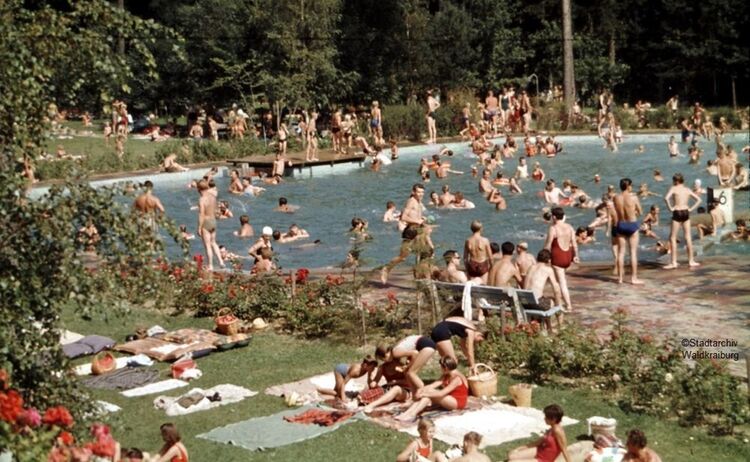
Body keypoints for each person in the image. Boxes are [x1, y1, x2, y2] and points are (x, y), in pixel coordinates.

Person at [395, 357, 469, 422]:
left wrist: (424, 393)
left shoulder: (457, 378)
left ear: (445, 367)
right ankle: (408, 413)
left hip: (457, 402)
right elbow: (433, 385)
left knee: (428, 395)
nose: (440, 369)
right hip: (450, 398)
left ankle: (411, 414)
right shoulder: (446, 375)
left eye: (441, 367)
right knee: (427, 395)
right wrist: (421, 390)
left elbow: (442, 393)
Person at [663, 173, 701, 269]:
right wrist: (691, 209)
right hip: (686, 211)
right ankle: (691, 261)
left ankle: (674, 262)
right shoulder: (687, 189)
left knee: (672, 237)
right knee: (688, 236)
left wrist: (670, 208)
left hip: (677, 211)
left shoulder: (673, 188)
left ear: (676, 181)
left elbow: (666, 198)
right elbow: (699, 200)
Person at [612, 178, 644, 284]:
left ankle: (620, 278)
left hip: (621, 224)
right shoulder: (633, 197)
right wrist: (633, 211)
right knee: (633, 253)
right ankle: (633, 278)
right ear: (628, 186)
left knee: (621, 252)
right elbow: (640, 212)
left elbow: (616, 211)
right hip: (632, 224)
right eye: (631, 185)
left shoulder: (616, 197)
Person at [523, 249, 564, 329]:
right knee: (556, 303)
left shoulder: (531, 267)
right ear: (549, 260)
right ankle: (560, 327)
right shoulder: (548, 269)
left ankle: (547, 327)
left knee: (546, 300)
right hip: (537, 303)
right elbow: (556, 288)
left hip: (526, 302)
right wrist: (558, 303)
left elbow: (526, 286)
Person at [196, 180, 224, 271]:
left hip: (206, 222)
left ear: (198, 189)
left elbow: (201, 214)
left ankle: (210, 265)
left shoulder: (202, 199)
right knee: (214, 242)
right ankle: (221, 261)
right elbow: (216, 210)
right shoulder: (213, 197)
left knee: (207, 245)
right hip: (213, 221)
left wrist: (199, 227)